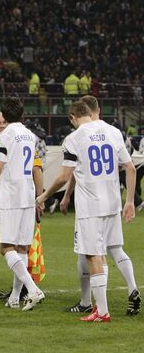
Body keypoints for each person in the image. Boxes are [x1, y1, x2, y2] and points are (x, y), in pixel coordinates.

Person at [37, 101, 136, 322]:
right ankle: (100, 308)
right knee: (107, 252)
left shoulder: (73, 139)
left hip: (91, 207)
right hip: (113, 204)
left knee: (93, 255)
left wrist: (44, 196)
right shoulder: (113, 131)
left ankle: (102, 311)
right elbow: (130, 168)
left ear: (72, 117)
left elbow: (64, 176)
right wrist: (129, 201)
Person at [0, 97, 45, 311]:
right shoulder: (30, 135)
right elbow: (35, 168)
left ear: (4, 116)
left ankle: (32, 289)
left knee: (6, 248)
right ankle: (15, 297)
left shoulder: (4, 136)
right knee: (21, 247)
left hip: (11, 195)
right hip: (28, 194)